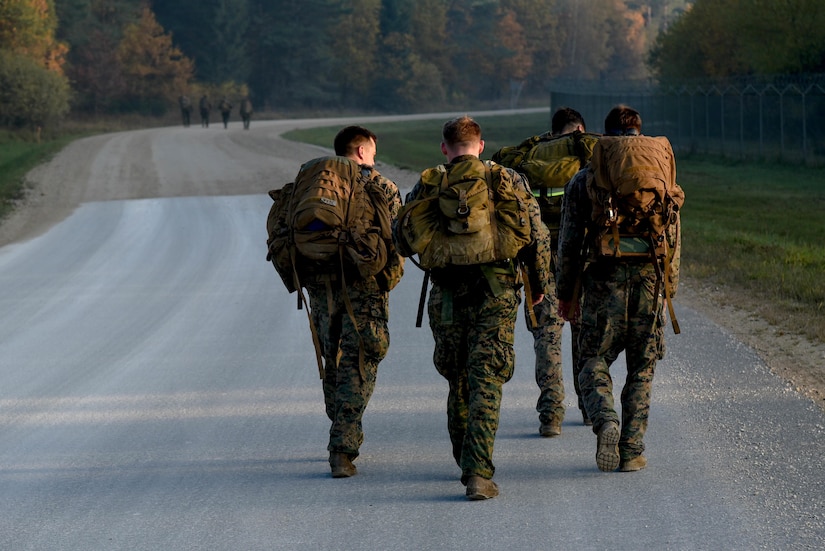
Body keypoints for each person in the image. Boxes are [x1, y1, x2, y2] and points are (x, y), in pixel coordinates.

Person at [395, 116, 551, 499]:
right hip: (496, 291)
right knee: (487, 378)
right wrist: (539, 285)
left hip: (446, 295)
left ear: (445, 149)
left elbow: (401, 239)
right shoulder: (506, 179)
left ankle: (466, 458)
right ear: (480, 145)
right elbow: (536, 235)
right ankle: (478, 470)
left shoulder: (430, 182)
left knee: (458, 377)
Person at [556, 105, 682, 473]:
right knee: (642, 368)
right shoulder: (661, 178)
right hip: (649, 280)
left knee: (592, 360)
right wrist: (668, 289)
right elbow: (673, 236)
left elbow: (568, 242)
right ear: (640, 133)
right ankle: (631, 450)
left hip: (602, 282)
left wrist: (566, 293)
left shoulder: (585, 179)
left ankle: (605, 419)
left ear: (606, 136)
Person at [301, 126, 404, 478]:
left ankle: (339, 423)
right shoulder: (381, 186)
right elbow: (399, 239)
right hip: (363, 284)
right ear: (361, 151)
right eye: (372, 152)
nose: (373, 158)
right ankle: (342, 445)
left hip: (319, 283)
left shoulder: (312, 184)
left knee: (334, 356)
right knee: (360, 359)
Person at [496, 107, 598, 437]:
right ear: (580, 128)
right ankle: (588, 406)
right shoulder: (588, 151)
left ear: (552, 130)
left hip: (534, 257)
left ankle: (551, 414)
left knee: (547, 335)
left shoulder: (528, 152)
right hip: (580, 255)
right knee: (583, 331)